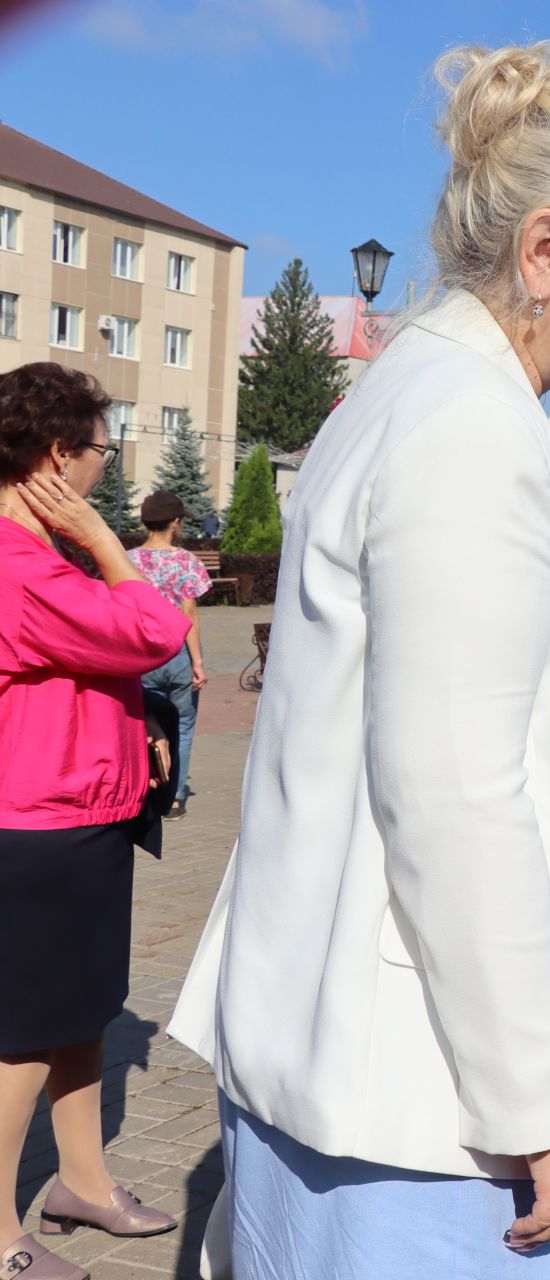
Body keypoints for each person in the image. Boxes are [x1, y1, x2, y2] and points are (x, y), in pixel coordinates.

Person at [168, 41, 550, 1274]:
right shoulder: (468, 429)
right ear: (548, 245)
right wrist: (542, 1102)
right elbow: (455, 793)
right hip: (427, 1107)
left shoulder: (421, 392)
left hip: (357, 1060)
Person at [0, 363, 190, 1279]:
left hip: (83, 811)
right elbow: (154, 629)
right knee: (23, 1037)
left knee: (81, 1018)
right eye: (97, 454)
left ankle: (81, 1179)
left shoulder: (39, 559)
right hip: (37, 825)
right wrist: (108, 544)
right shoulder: (21, 563)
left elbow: (105, 658)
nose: (100, 472)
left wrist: (139, 719)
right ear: (53, 456)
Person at [129, 490, 209, 820]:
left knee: (138, 724)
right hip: (176, 655)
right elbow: (188, 612)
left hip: (139, 655)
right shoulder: (185, 561)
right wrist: (198, 662)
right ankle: (174, 797)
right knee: (183, 727)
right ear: (175, 523)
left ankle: (141, 787)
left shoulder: (125, 558)